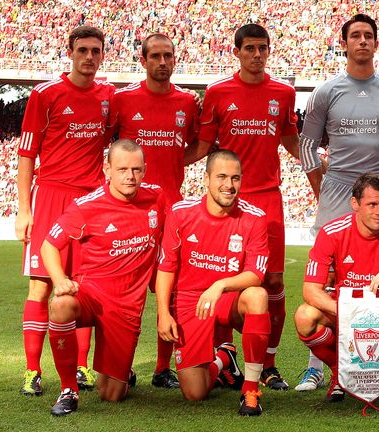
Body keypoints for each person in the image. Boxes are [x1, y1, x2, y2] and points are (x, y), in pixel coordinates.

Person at [297, 13, 379, 391]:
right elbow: (307, 145)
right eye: (356, 36)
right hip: (337, 191)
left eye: (369, 36)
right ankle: (319, 366)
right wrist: (325, 185)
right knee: (328, 279)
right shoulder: (326, 92)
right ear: (345, 44)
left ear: (376, 43)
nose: (363, 41)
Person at [186, 24, 300, 390]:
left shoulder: (283, 93)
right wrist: (163, 163)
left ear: (269, 51)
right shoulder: (218, 92)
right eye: (249, 48)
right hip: (229, 199)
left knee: (273, 282)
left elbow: (291, 141)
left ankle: (268, 363)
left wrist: (324, 169)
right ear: (236, 51)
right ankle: (226, 354)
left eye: (262, 48)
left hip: (268, 198)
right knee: (222, 278)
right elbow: (203, 146)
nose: (256, 54)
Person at [16, 25, 115, 396]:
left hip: (90, 201)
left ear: (102, 54)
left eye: (96, 51)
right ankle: (32, 370)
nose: (90, 57)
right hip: (51, 197)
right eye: (83, 50)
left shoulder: (109, 96)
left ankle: (82, 367)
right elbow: (26, 154)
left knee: (85, 284)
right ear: (70, 52)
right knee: (41, 285)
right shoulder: (45, 94)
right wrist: (24, 210)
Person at [40, 140, 164, 416]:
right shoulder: (87, 206)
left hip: (126, 307)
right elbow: (48, 245)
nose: (130, 177)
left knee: (111, 395)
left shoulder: (157, 198)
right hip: (91, 294)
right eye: (122, 169)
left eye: (136, 170)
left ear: (144, 170)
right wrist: (60, 279)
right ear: (107, 168)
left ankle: (122, 371)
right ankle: (68, 388)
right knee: (61, 305)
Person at [294, 173, 379, 407]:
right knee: (304, 316)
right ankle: (339, 373)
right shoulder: (331, 232)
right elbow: (310, 290)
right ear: (355, 204)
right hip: (344, 308)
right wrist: (348, 310)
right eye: (372, 204)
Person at [107, 33, 199, 389]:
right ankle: (120, 365)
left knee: (170, 290)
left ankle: (163, 368)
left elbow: (195, 146)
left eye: (168, 56)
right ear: (142, 60)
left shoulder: (188, 102)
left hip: (172, 210)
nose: (163, 62)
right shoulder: (123, 99)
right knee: (123, 291)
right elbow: (109, 146)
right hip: (129, 211)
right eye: (156, 56)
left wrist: (173, 163)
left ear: (175, 60)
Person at [155, 149, 271, 416]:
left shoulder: (254, 217)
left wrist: (220, 285)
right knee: (194, 394)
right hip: (189, 300)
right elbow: (166, 266)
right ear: (206, 178)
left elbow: (256, 274)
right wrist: (163, 312)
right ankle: (224, 359)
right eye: (221, 177)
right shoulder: (181, 213)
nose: (229, 185)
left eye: (235, 178)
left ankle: (250, 390)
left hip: (228, 298)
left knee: (257, 296)